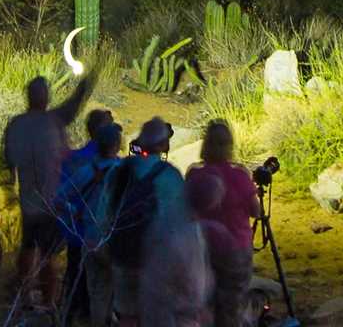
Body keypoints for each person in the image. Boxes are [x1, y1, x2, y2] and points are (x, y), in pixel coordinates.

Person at [0, 71, 98, 310]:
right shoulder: (52, 120)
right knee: (48, 255)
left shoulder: (16, 126)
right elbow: (73, 106)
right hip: (52, 200)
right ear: (44, 97)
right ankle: (49, 302)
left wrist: (9, 191)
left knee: (28, 246)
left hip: (28, 201)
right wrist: (85, 85)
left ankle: (23, 297)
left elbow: (6, 163)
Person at [91, 117, 189, 327]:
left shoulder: (118, 170)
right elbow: (180, 224)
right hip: (156, 260)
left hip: (123, 255)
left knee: (127, 315)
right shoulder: (170, 176)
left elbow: (104, 213)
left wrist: (105, 250)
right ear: (164, 144)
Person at [187, 120, 260, 327]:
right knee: (232, 306)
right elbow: (256, 211)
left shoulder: (195, 175)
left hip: (203, 248)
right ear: (229, 145)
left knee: (205, 304)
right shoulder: (240, 176)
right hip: (235, 249)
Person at [60, 118, 123, 322]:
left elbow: (58, 199)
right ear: (117, 145)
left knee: (97, 292)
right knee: (119, 292)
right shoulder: (125, 172)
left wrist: (75, 212)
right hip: (114, 240)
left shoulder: (87, 170)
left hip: (90, 238)